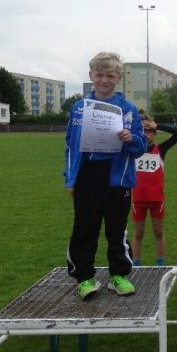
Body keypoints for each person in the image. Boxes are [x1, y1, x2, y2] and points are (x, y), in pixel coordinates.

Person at [64, 52, 147, 300]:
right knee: (84, 228)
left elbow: (141, 147)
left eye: (110, 76)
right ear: (91, 76)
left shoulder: (129, 110)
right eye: (99, 75)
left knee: (116, 229)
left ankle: (118, 275)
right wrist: (70, 178)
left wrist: (131, 139)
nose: (104, 80)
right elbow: (70, 145)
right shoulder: (79, 108)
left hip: (117, 176)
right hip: (87, 175)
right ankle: (84, 278)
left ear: (118, 77)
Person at [131, 114, 177, 267]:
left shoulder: (160, 149)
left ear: (154, 133)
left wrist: (158, 125)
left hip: (156, 200)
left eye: (149, 131)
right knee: (138, 233)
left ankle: (160, 265)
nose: (146, 135)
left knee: (158, 232)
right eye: (143, 131)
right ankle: (136, 265)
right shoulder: (133, 150)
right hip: (138, 199)